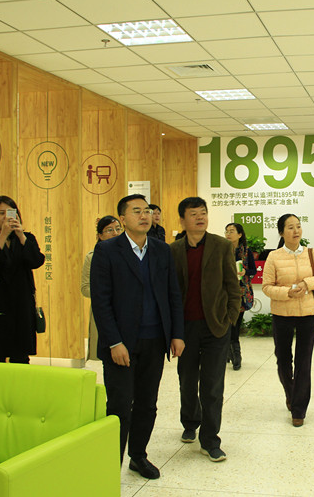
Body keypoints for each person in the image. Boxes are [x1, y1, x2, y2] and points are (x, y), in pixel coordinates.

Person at [90, 194, 185, 479]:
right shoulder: (107, 250)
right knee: (119, 406)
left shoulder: (161, 250)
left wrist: (177, 334)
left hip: (155, 340)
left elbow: (173, 294)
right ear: (123, 219)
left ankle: (138, 456)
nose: (144, 216)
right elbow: (101, 302)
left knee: (147, 403)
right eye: (136, 211)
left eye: (147, 210)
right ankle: (110, 464)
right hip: (121, 344)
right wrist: (114, 342)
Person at [170, 197, 241, 462]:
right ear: (182, 220)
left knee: (212, 385)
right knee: (187, 380)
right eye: (194, 214)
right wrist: (173, 330)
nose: (200, 218)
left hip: (216, 326)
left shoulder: (221, 246)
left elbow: (232, 285)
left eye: (203, 213)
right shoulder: (173, 250)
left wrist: (230, 318)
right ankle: (190, 422)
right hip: (185, 328)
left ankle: (210, 440)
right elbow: (169, 291)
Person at [262, 214, 314, 428]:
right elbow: (267, 287)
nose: (296, 231)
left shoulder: (311, 253)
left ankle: (299, 409)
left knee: (303, 361)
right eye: (290, 227)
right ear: (282, 232)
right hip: (282, 314)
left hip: (308, 314)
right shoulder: (273, 257)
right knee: (283, 360)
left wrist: (307, 284)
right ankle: (291, 393)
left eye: (298, 226)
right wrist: (287, 293)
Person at [0, 195, 45, 364]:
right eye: (1, 213)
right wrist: (3, 234)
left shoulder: (27, 238)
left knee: (20, 355)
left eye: (11, 213)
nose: (6, 217)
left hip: (21, 303)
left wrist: (21, 235)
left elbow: (37, 261)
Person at [80, 215, 122, 361]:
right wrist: (107, 293)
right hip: (103, 310)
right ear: (100, 235)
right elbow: (85, 288)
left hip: (126, 311)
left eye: (118, 229)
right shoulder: (92, 257)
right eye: (109, 230)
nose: (115, 233)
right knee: (107, 354)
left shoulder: (130, 255)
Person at [224, 223, 257, 371]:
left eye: (231, 231)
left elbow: (253, 270)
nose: (228, 234)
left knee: (235, 325)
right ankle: (228, 353)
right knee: (226, 324)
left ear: (239, 234)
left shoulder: (246, 252)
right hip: (225, 293)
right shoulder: (222, 250)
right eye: (226, 231)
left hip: (242, 293)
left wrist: (245, 272)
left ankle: (236, 356)